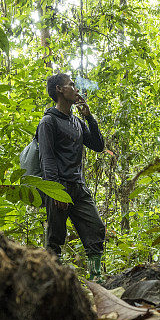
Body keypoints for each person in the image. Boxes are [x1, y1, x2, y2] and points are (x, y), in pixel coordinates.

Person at [37, 73, 106, 281]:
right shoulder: (48, 122)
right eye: (71, 85)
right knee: (55, 238)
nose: (76, 88)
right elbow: (46, 159)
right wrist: (55, 191)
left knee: (96, 228)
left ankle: (97, 278)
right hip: (58, 187)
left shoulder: (76, 122)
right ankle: (52, 283)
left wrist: (89, 117)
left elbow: (98, 146)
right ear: (60, 89)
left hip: (79, 187)